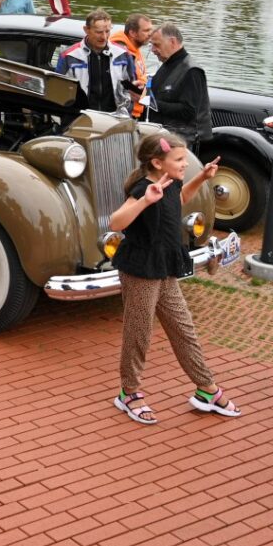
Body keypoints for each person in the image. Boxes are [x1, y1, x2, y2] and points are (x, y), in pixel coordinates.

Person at [107, 133, 240, 424]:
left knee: (184, 328)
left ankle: (207, 389)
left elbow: (178, 199)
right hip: (141, 269)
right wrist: (144, 200)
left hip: (166, 265)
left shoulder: (172, 182)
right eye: (178, 160)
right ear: (157, 162)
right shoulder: (144, 187)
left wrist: (202, 177)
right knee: (139, 332)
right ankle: (129, 392)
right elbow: (116, 222)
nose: (184, 164)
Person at [55, 9, 134, 115]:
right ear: (86, 30)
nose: (104, 37)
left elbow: (131, 87)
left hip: (115, 116)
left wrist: (125, 110)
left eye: (107, 31)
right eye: (99, 32)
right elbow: (58, 89)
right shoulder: (69, 56)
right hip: (80, 116)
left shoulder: (123, 54)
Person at [147, 23, 211, 152]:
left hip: (183, 141)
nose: (153, 50)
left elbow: (189, 111)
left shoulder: (192, 71)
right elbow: (160, 94)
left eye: (157, 45)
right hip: (166, 135)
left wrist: (152, 103)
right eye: (151, 45)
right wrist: (141, 92)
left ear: (172, 42)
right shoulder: (168, 64)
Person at [112, 13, 154, 118]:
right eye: (146, 31)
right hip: (124, 113)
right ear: (132, 33)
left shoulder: (134, 48)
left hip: (135, 111)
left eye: (150, 30)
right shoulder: (120, 53)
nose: (150, 34)